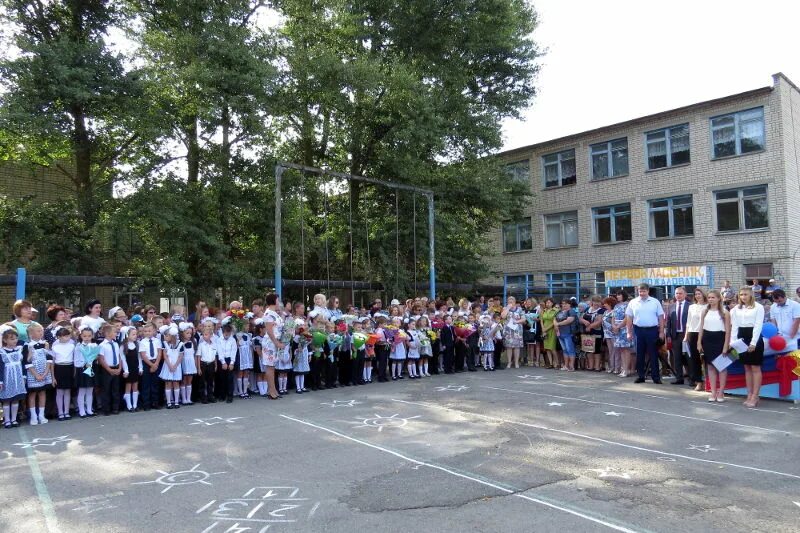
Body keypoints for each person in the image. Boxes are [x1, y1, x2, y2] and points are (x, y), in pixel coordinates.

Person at [730, 286, 765, 408]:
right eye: (741, 294)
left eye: (745, 294)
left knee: (755, 368)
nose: (743, 297)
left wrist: (753, 343)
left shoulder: (758, 307)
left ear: (751, 295)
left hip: (753, 338)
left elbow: (758, 325)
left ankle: (755, 395)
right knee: (747, 368)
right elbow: (734, 326)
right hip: (741, 339)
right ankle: (749, 394)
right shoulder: (736, 309)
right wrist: (733, 342)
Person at [626, 283, 665, 384]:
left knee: (653, 354)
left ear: (648, 291)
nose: (642, 293)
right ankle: (641, 376)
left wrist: (661, 332)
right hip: (638, 330)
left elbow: (661, 317)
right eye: (640, 291)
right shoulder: (633, 302)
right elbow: (629, 318)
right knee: (639, 354)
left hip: (652, 330)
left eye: (644, 291)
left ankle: (656, 377)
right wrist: (628, 332)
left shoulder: (655, 302)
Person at [697, 290, 731, 402]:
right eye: (709, 297)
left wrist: (726, 346)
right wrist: (699, 342)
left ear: (719, 299)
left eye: (713, 297)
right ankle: (713, 391)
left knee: (721, 367)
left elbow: (728, 331)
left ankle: (721, 391)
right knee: (710, 367)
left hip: (720, 339)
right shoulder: (705, 311)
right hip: (707, 339)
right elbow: (701, 327)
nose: (711, 299)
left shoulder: (725, 312)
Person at [0, 327, 26, 428]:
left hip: (18, 377)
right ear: (5, 340)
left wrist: (24, 376)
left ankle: (14, 419)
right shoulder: (2, 352)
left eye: (15, 338)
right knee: (7, 399)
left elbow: (22, 364)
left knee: (16, 399)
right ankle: (7, 420)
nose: (14, 340)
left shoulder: (19, 350)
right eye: (11, 339)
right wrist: (0, 381)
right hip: (7, 378)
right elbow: (1, 368)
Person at [259, 293, 283, 399]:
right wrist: (276, 342)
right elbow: (269, 331)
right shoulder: (268, 313)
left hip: (275, 341)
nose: (279, 302)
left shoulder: (275, 313)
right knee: (270, 367)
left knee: (272, 367)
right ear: (274, 301)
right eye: (278, 300)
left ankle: (272, 390)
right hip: (270, 342)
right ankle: (272, 391)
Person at [684, 288, 707, 391]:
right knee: (694, 359)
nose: (698, 296)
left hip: (705, 334)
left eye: (699, 294)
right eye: (696, 294)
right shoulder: (691, 307)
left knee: (706, 359)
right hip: (692, 334)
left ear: (703, 294)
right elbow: (688, 322)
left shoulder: (708, 306)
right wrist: (686, 335)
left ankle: (708, 382)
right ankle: (698, 382)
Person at [74, 326, 99, 418]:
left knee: (90, 390)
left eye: (89, 336)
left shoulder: (95, 345)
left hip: (91, 368)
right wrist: (85, 362)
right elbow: (76, 360)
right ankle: (81, 410)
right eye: (85, 336)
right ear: (81, 336)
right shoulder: (78, 346)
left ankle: (89, 409)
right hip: (82, 369)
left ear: (92, 336)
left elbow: (96, 357)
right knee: (82, 390)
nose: (87, 338)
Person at [98, 323, 123, 416]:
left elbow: (119, 356)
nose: (116, 334)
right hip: (107, 369)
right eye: (114, 332)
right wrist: (109, 369)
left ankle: (115, 408)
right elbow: (101, 359)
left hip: (116, 367)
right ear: (108, 334)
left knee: (116, 389)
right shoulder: (102, 345)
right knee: (106, 389)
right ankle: (106, 409)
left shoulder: (116, 344)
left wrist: (120, 367)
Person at [667, 287, 690, 385]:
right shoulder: (671, 306)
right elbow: (669, 322)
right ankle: (679, 378)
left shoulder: (690, 306)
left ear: (685, 295)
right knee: (677, 358)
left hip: (687, 335)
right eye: (676, 293)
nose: (678, 295)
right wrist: (668, 335)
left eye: (680, 293)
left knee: (688, 357)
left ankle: (692, 378)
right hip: (675, 335)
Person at [138, 322, 163, 411]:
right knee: (146, 385)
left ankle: (155, 402)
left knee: (155, 384)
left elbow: (159, 352)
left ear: (154, 331)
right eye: (145, 331)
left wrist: (156, 364)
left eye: (149, 331)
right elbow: (143, 355)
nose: (147, 333)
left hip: (156, 362)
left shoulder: (157, 341)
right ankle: (146, 404)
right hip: (147, 363)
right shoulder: (142, 342)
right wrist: (151, 365)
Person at [159, 325, 183, 409]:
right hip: (168, 365)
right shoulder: (164, 344)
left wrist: (175, 366)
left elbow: (180, 356)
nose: (165, 337)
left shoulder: (180, 344)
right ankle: (169, 402)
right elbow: (165, 356)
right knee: (168, 383)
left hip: (176, 365)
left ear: (172, 336)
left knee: (176, 383)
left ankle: (176, 402)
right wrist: (170, 365)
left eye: (167, 335)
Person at [121, 326, 142, 412]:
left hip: (135, 368)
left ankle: (135, 404)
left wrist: (140, 368)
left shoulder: (137, 344)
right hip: (128, 369)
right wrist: (126, 370)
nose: (135, 336)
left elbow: (139, 357)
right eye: (133, 334)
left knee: (135, 386)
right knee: (128, 386)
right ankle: (129, 406)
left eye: (136, 334)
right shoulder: (123, 346)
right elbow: (122, 359)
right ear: (127, 335)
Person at [501, 296, 524, 369]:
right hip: (508, 330)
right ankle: (509, 362)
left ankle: (516, 362)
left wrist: (517, 321)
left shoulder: (519, 309)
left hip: (517, 330)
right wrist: (507, 308)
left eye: (512, 301)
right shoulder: (505, 308)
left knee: (517, 347)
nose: (510, 303)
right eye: (509, 301)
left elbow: (524, 319)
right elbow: (503, 316)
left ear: (514, 302)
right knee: (509, 347)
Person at [554, 300, 578, 371]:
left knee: (570, 350)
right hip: (560, 334)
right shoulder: (560, 311)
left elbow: (569, 320)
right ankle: (566, 365)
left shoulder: (571, 311)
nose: (563, 305)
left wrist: (558, 324)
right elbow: (555, 319)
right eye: (562, 303)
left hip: (568, 333)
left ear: (570, 304)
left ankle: (571, 366)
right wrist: (556, 325)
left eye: (566, 304)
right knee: (564, 350)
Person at [197, 326, 218, 403]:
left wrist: (215, 365)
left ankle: (210, 396)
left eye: (206, 334)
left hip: (211, 364)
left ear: (211, 335)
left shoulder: (214, 345)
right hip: (203, 364)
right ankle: (203, 397)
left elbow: (215, 356)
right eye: (203, 335)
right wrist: (198, 368)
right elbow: (198, 357)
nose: (204, 336)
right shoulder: (201, 345)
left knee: (210, 381)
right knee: (202, 382)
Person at [216, 324, 237, 403]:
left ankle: (230, 395)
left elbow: (234, 351)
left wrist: (232, 363)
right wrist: (223, 362)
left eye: (228, 333)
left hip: (230, 359)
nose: (227, 335)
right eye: (225, 333)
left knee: (230, 379)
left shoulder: (232, 340)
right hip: (222, 360)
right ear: (223, 332)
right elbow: (219, 351)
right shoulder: (219, 340)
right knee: (222, 378)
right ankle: (222, 395)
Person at [179, 323, 197, 405]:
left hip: (191, 363)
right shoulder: (180, 343)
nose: (189, 335)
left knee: (189, 381)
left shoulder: (193, 342)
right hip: (184, 362)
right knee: (183, 381)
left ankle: (188, 398)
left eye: (190, 333)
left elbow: (194, 354)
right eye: (187, 333)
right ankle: (184, 399)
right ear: (182, 333)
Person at [540, 298, 558, 369]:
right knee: (547, 348)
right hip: (544, 330)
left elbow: (554, 321)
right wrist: (543, 329)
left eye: (549, 302)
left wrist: (546, 329)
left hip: (552, 330)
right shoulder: (543, 311)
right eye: (546, 302)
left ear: (552, 303)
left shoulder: (556, 311)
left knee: (552, 348)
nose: (548, 304)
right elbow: (541, 320)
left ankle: (557, 363)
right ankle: (550, 363)